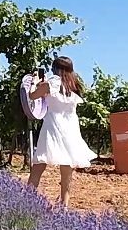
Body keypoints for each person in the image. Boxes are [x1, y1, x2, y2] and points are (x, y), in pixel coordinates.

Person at [27, 56, 96, 207]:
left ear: (56, 69)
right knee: (67, 169)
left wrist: (34, 82)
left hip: (53, 126)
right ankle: (64, 206)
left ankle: (27, 201)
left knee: (40, 163)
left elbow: (31, 96)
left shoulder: (51, 83)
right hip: (71, 128)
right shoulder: (73, 85)